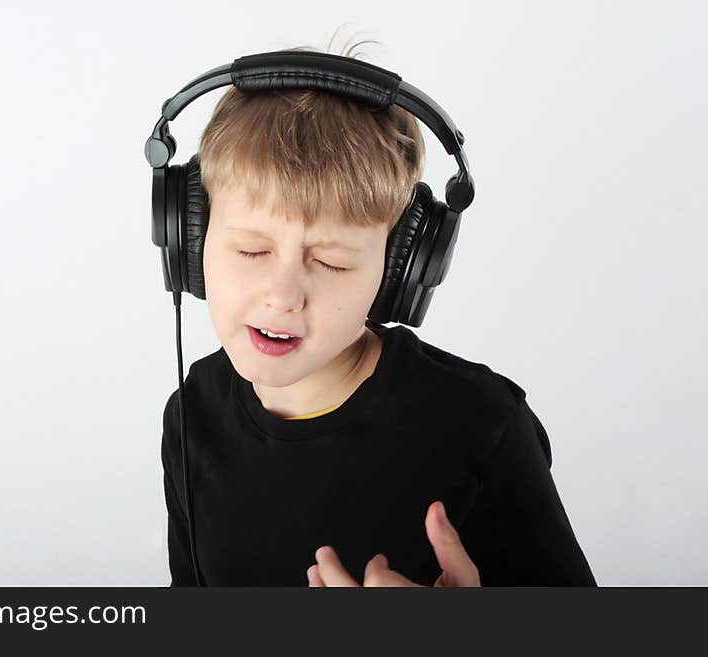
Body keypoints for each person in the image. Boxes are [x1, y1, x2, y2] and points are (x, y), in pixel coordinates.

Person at [160, 45, 597, 587]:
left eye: (331, 261)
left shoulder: (482, 426)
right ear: (190, 239)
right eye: (251, 250)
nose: (283, 295)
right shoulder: (190, 414)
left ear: (397, 271)